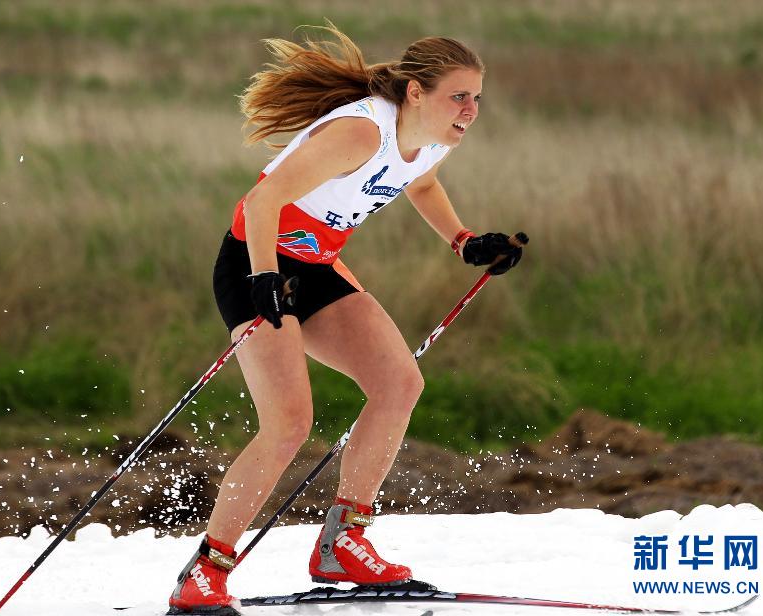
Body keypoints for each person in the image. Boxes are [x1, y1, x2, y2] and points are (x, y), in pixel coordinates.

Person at [168, 25, 525, 616]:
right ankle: (204, 573)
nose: (471, 111)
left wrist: (464, 241)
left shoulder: (436, 139)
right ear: (415, 92)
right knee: (289, 423)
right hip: (254, 259)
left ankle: (344, 544)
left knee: (399, 383)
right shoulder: (361, 132)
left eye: (477, 98)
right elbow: (262, 203)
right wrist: (262, 279)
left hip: (316, 266)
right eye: (459, 97)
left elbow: (424, 181)